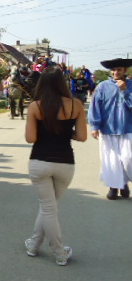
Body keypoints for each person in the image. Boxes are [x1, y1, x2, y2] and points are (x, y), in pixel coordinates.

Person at [24, 67, 87, 265]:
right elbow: (82, 136)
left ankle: (59, 253)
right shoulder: (76, 105)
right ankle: (34, 244)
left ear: (42, 83)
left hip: (39, 162)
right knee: (49, 208)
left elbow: (30, 138)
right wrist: (66, 133)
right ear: (62, 83)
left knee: (47, 208)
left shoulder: (35, 106)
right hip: (65, 163)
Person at [88, 58, 132, 200]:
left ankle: (124, 182)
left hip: (127, 128)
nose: (115, 72)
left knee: (128, 159)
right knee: (112, 160)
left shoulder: (130, 85)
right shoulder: (103, 86)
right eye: (113, 70)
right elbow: (95, 107)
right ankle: (114, 187)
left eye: (119, 69)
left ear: (125, 70)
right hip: (108, 129)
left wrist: (125, 91)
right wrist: (95, 126)